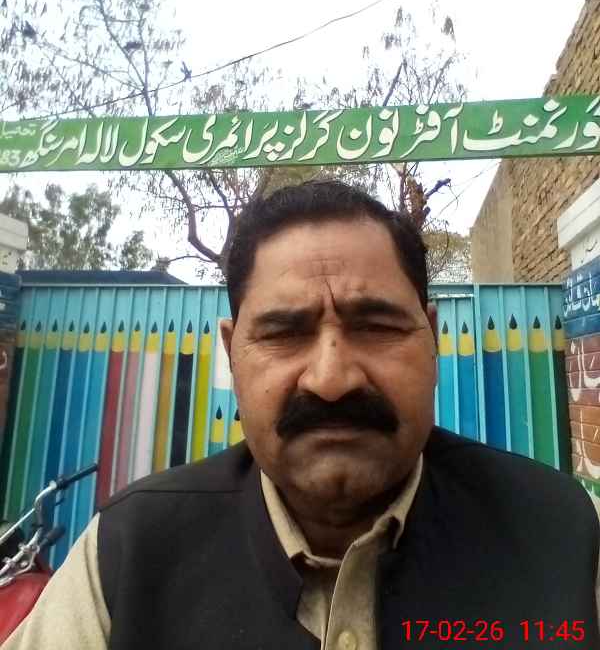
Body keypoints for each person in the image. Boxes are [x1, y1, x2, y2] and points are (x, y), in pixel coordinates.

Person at [4, 180, 600, 649]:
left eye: (377, 326)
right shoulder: (125, 554)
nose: (332, 380)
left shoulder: (567, 537)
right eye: (284, 333)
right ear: (232, 354)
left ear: (432, 340)